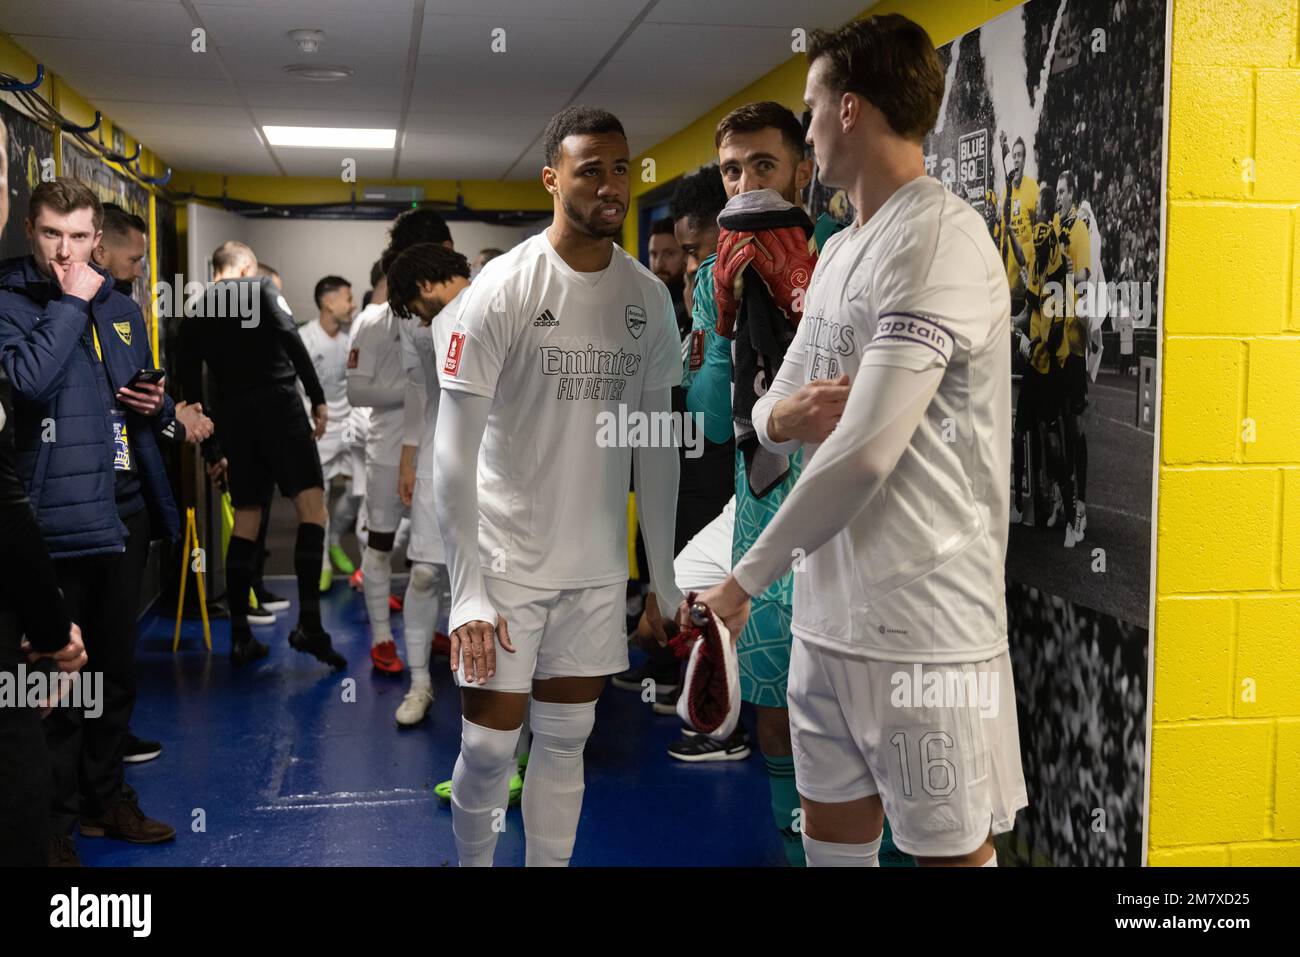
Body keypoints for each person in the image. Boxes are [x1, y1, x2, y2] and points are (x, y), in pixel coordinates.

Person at [689, 14, 1027, 867]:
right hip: (824, 618)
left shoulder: (940, 237)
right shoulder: (840, 252)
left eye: (811, 109)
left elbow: (868, 452)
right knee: (834, 849)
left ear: (850, 110)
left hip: (924, 630)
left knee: (951, 855)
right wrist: (784, 416)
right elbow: (771, 405)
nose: (805, 131)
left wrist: (742, 583)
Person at [436, 106, 682, 866]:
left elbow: (657, 448)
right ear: (552, 179)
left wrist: (664, 577)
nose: (612, 187)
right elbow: (454, 451)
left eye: (621, 170)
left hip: (597, 570)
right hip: (507, 566)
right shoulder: (503, 288)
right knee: (487, 748)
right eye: (591, 170)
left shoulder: (649, 298)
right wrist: (467, 587)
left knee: (567, 744)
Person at [0, 178, 180, 862]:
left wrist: (156, 403)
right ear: (30, 231)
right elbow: (26, 381)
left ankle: (106, 799)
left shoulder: (121, 304)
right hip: (51, 518)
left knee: (115, 670)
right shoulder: (12, 302)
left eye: (79, 237)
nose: (65, 251)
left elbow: (141, 395)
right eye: (52, 234)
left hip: (122, 511)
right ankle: (49, 821)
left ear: (98, 239)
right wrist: (71, 304)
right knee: (52, 684)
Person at [178, 241, 346, 670]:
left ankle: (239, 635)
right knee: (312, 510)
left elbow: (190, 385)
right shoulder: (261, 289)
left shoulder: (195, 307)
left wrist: (213, 447)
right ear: (248, 266)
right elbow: (291, 339)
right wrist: (319, 398)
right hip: (279, 407)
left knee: (247, 520)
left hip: (234, 416)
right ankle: (310, 625)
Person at [91, 203, 213, 765]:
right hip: (74, 501)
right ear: (102, 247)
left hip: (129, 492)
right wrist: (167, 412)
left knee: (115, 642)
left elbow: (137, 392)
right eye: (135, 257)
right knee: (75, 643)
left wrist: (168, 410)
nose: (141, 268)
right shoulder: (33, 308)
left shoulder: (124, 312)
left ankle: (110, 746)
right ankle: (84, 762)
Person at [299, 275, 360, 589]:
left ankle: (335, 538)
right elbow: (297, 389)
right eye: (347, 298)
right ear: (328, 302)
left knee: (357, 491)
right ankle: (322, 562)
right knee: (317, 498)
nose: (352, 305)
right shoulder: (305, 339)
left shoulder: (351, 340)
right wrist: (309, 422)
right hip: (318, 428)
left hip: (348, 425)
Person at [647, 216, 689, 337]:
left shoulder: (696, 306)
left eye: (669, 254)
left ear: (685, 256)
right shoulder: (641, 302)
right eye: (653, 254)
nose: (659, 264)